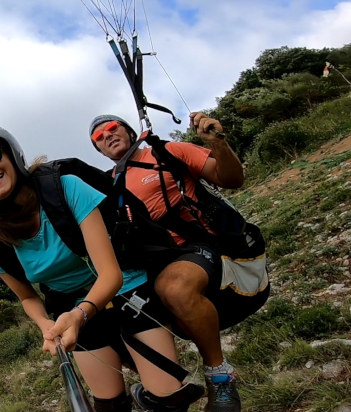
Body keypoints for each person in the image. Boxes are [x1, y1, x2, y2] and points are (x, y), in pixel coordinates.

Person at [0, 123, 204, 412]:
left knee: (170, 400)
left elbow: (110, 273)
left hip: (124, 288)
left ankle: (158, 387)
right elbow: (28, 297)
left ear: (12, 154)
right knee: (109, 404)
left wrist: (80, 314)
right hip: (69, 306)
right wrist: (46, 324)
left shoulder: (65, 188)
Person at [88, 113, 245, 412]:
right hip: (146, 263)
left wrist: (217, 144)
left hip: (192, 247)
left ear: (128, 130)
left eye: (111, 128)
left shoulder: (169, 152)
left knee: (173, 287)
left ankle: (220, 376)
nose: (106, 135)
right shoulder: (106, 187)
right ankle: (167, 390)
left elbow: (231, 179)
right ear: (99, 151)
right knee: (101, 325)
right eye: (98, 138)